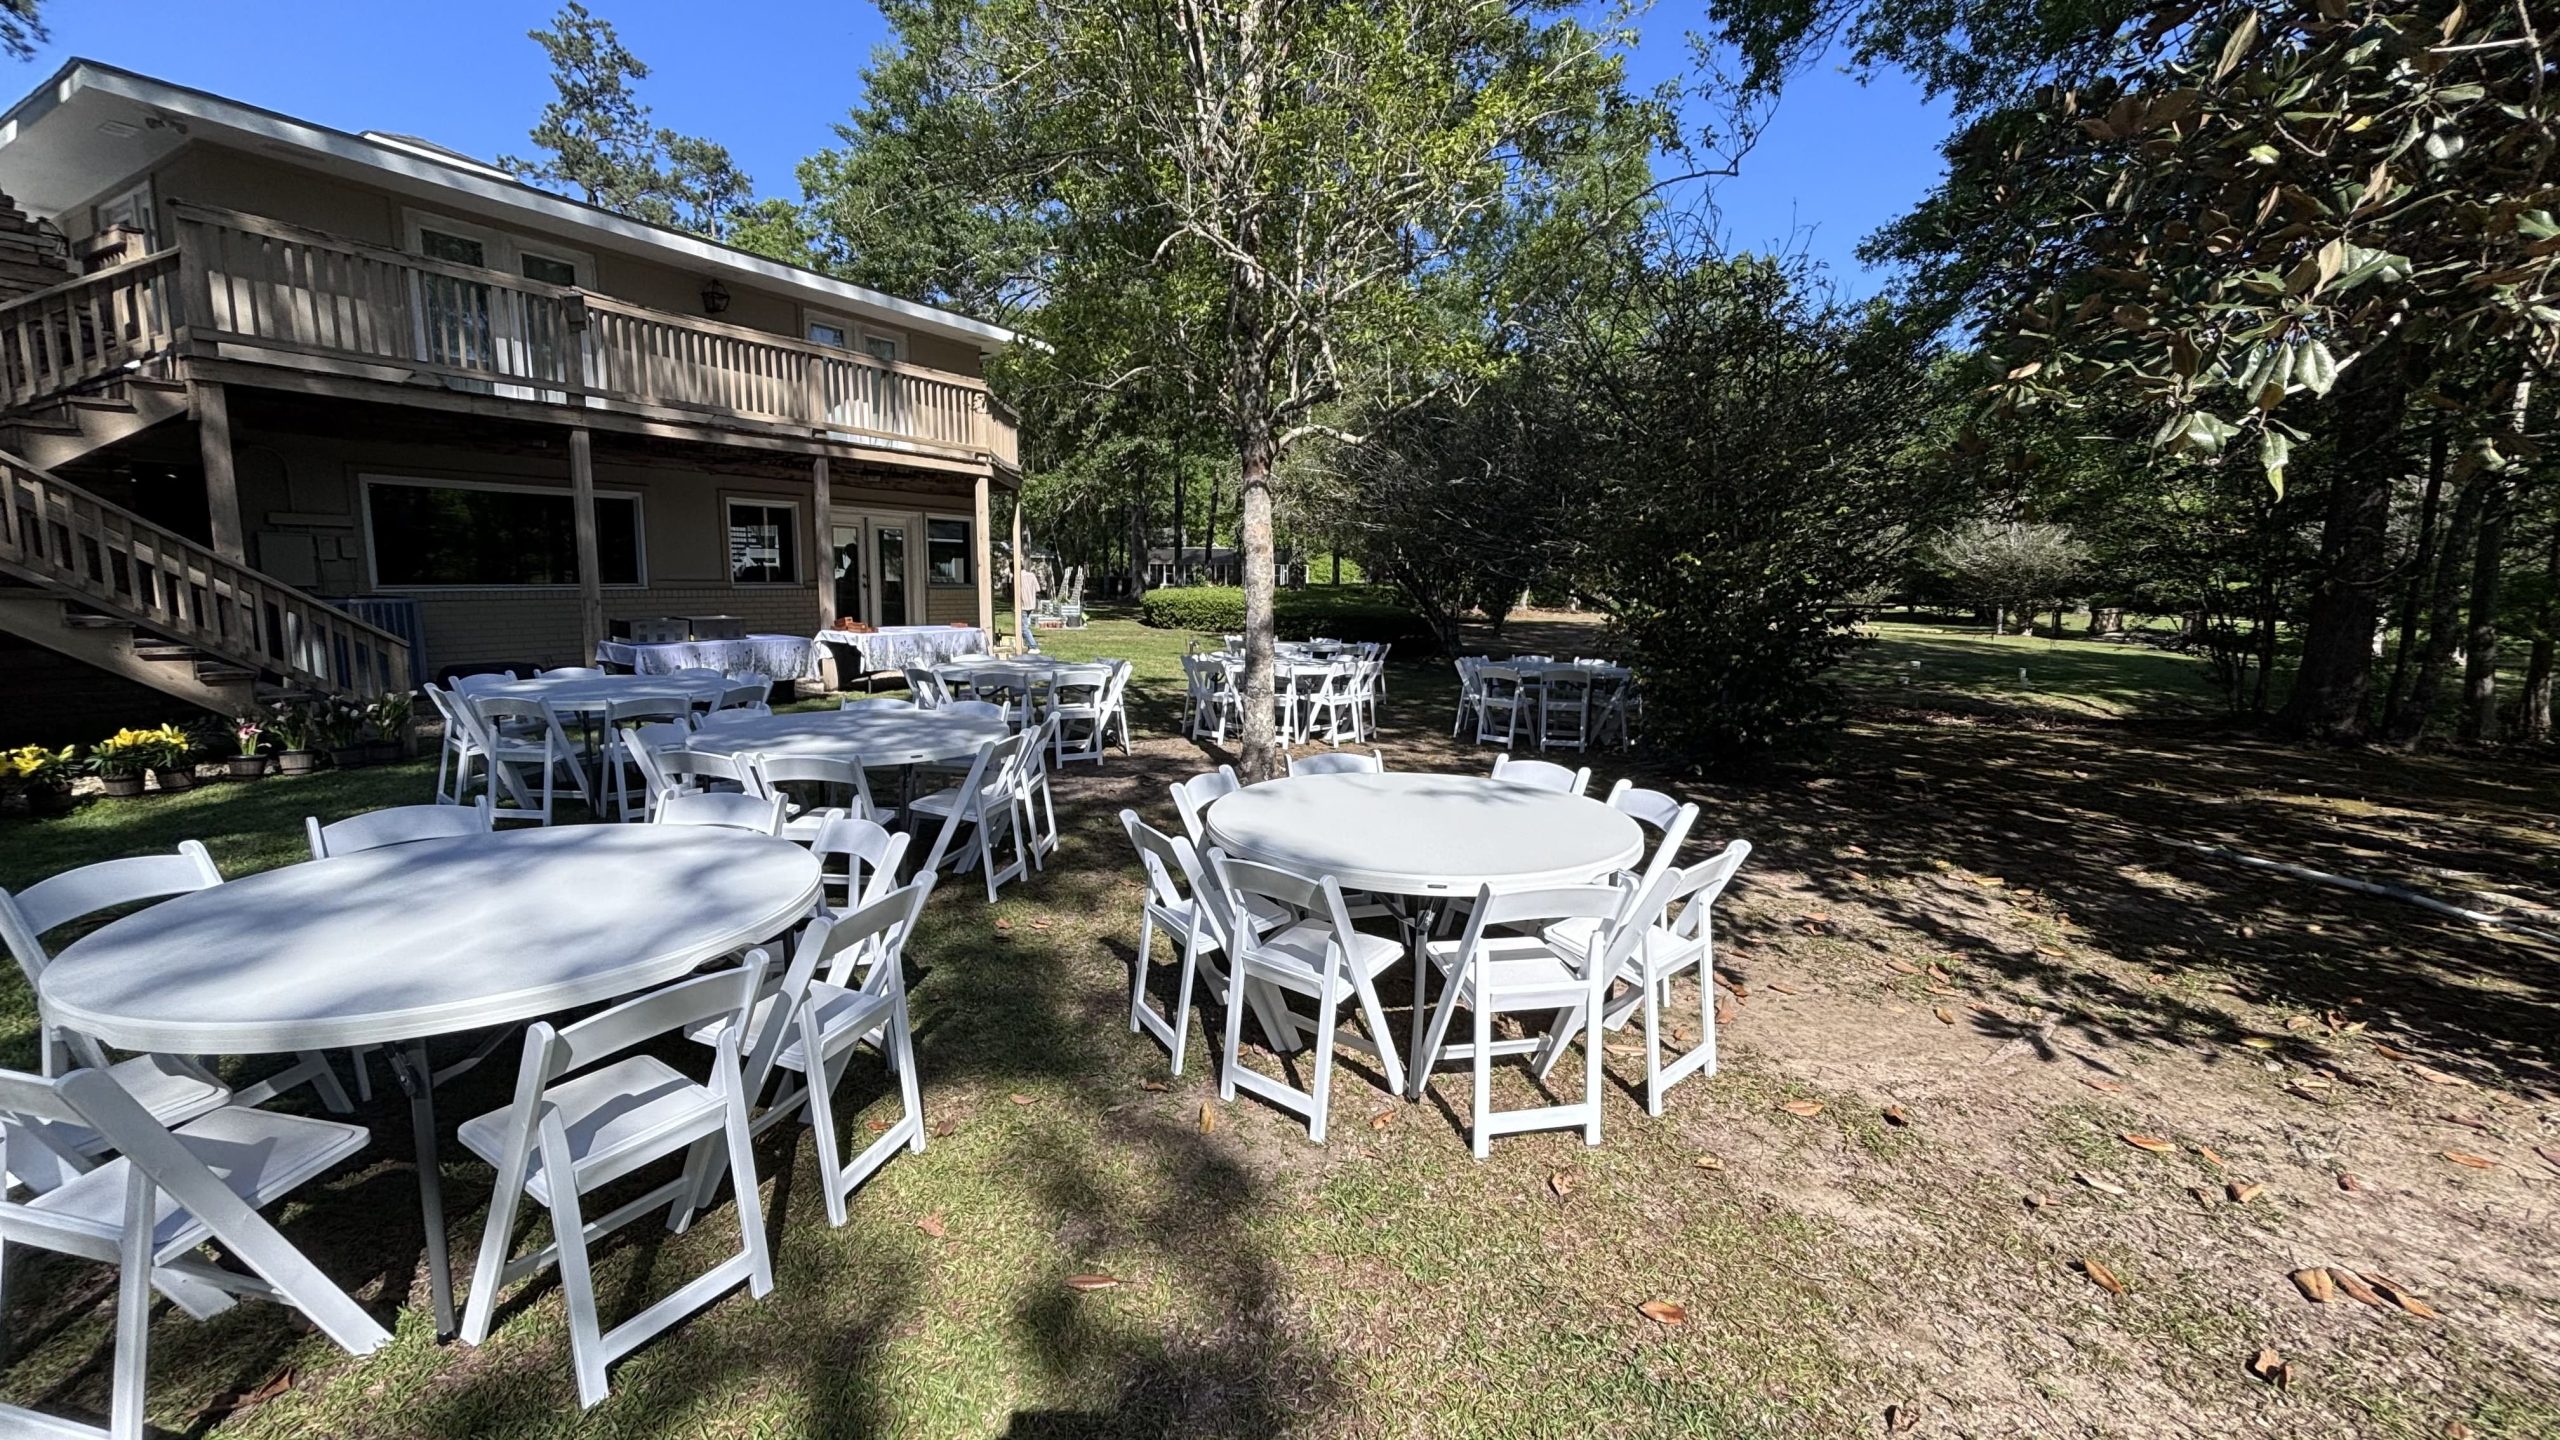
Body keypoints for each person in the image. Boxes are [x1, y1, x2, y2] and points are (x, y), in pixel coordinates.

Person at [1014, 562, 1042, 653]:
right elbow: (1038, 589)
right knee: (1026, 626)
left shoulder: (1017, 577)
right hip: (1031, 604)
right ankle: (1029, 645)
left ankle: (1034, 646)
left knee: (1024, 628)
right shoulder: (1032, 575)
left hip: (1023, 605)